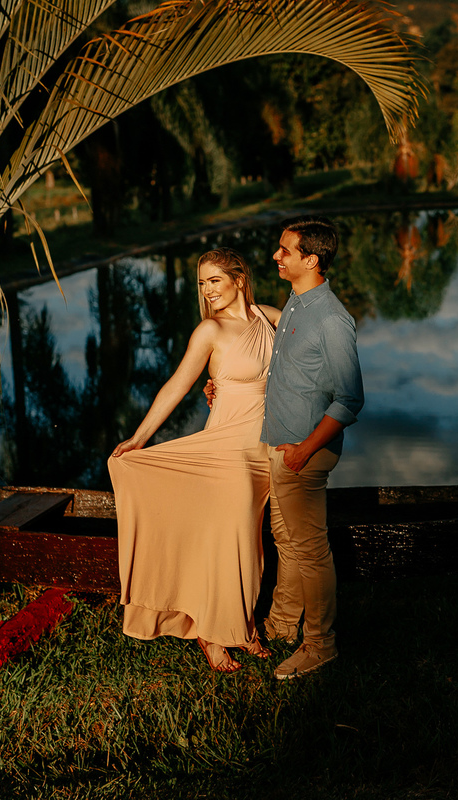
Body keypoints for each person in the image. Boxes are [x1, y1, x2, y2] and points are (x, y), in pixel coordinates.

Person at [108, 247, 282, 673]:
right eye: (202, 283)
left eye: (215, 280)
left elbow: (315, 346)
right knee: (236, 538)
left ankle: (238, 624)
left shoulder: (270, 317)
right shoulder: (209, 330)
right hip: (228, 448)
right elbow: (176, 385)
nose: (207, 290)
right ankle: (216, 633)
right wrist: (139, 437)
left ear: (239, 279)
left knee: (251, 544)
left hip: (267, 447)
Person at [209, 215, 364, 680]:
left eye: (285, 250)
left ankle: (320, 644)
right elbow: (279, 370)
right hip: (279, 445)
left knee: (311, 550)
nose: (276, 256)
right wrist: (222, 387)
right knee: (289, 542)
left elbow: (350, 399)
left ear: (310, 260)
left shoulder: (331, 319)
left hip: (304, 451)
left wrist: (303, 450)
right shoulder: (295, 303)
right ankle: (280, 623)